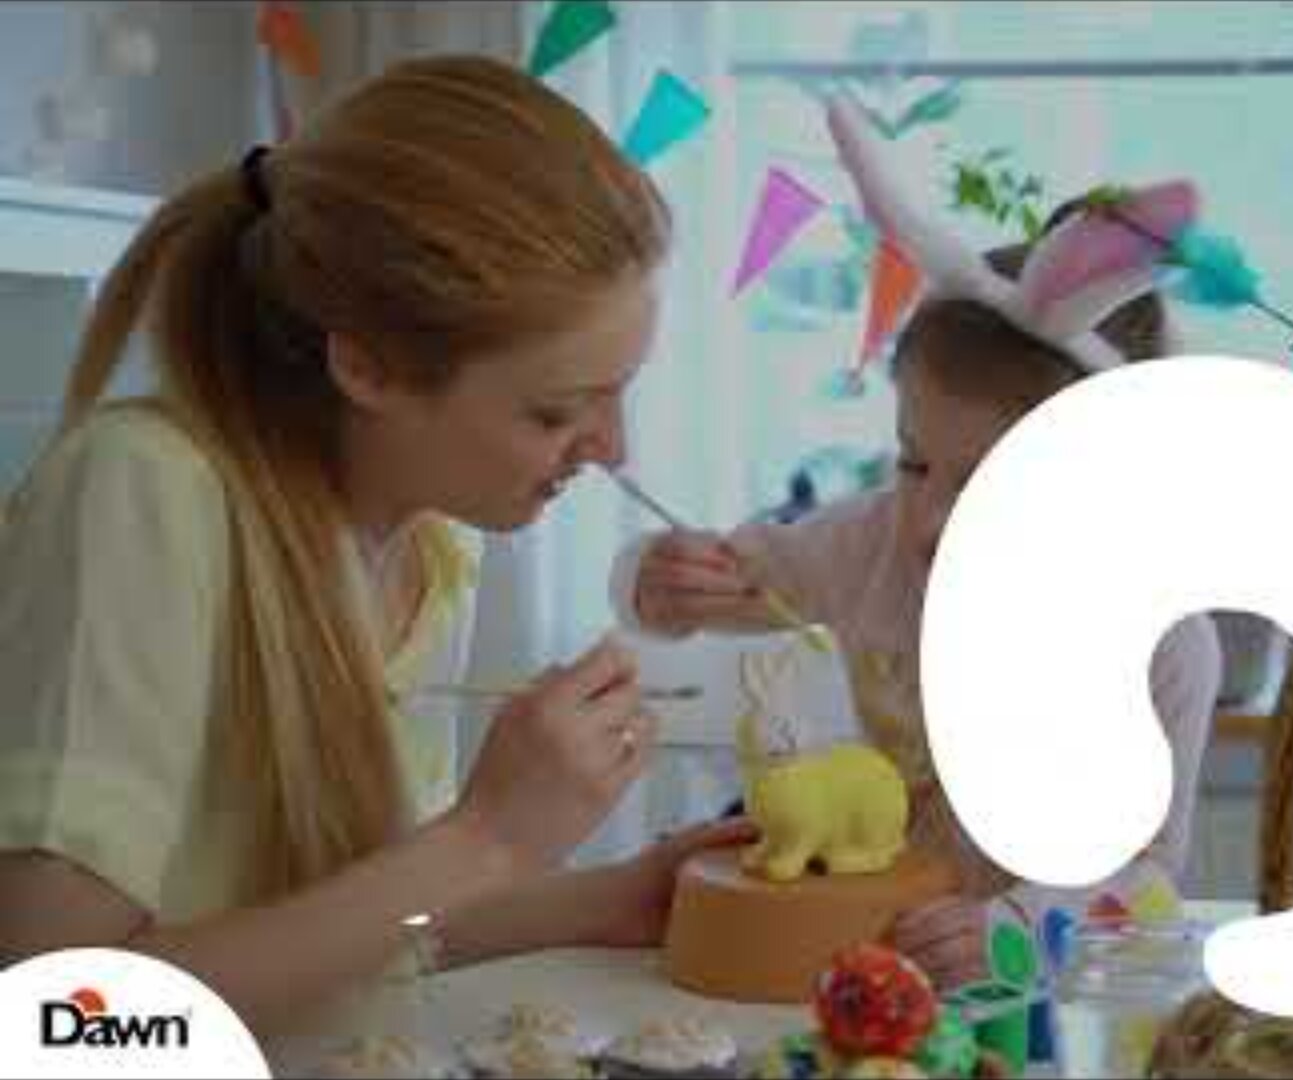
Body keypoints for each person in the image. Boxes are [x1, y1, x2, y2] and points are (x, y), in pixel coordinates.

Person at [0, 55, 749, 1031]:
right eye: (557, 410)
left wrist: (613, 896)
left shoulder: (432, 545)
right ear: (371, 365)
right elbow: (60, 1021)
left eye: (618, 393)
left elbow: (353, 926)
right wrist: (487, 838)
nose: (613, 451)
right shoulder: (146, 495)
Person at [618, 98, 1220, 991]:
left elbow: (1149, 872)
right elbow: (724, 579)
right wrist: (659, 585)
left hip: (1017, 997)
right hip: (849, 964)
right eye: (913, 463)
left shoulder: (1166, 643)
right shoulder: (867, 544)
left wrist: (1020, 928)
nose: (931, 520)